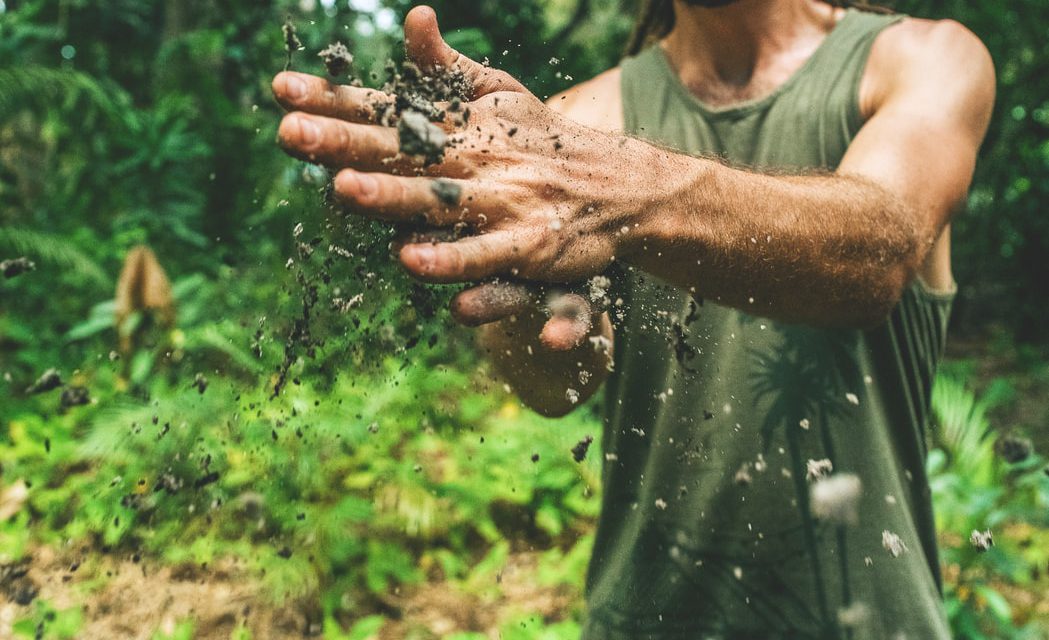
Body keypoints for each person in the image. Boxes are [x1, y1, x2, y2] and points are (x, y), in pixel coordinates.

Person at [272, 0, 994, 637]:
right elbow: (552, 387)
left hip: (868, 619)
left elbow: (875, 253)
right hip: (643, 616)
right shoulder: (576, 122)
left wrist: (626, 191)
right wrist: (542, 314)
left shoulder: (920, 59)